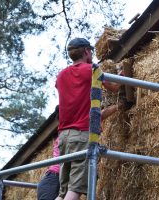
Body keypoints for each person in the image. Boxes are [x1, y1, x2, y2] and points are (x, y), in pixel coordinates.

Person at [55, 37, 121, 200]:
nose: (92, 53)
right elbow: (114, 88)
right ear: (86, 51)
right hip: (82, 135)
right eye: (90, 50)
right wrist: (121, 76)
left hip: (63, 137)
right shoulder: (92, 70)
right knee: (75, 188)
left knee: (62, 191)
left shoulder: (61, 75)